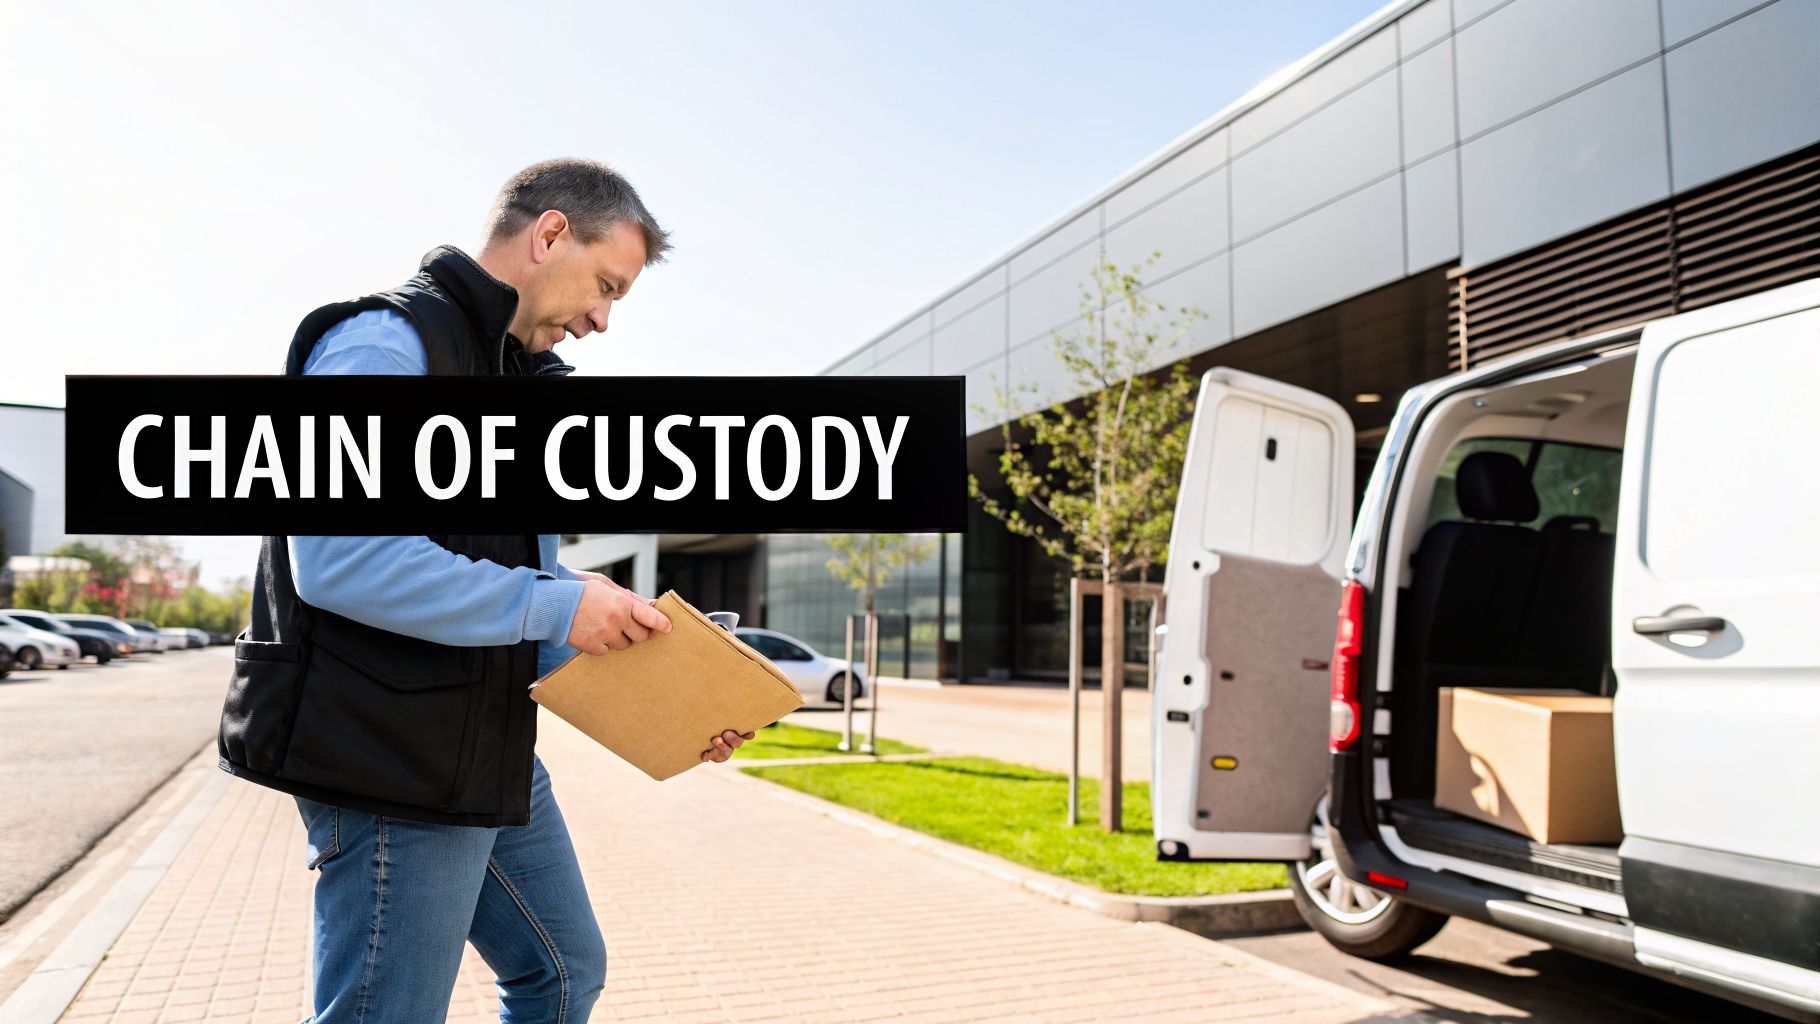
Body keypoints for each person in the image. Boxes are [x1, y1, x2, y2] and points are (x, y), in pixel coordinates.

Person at [218, 157, 754, 1023]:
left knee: (563, 972)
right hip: (389, 757)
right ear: (549, 235)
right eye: (606, 285)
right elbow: (342, 560)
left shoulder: (510, 387)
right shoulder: (385, 345)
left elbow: (514, 598)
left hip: (479, 746)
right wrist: (558, 601)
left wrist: (678, 692)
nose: (603, 320)